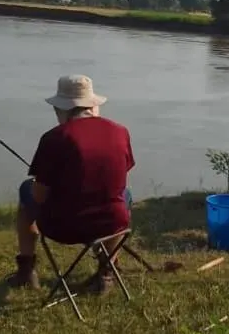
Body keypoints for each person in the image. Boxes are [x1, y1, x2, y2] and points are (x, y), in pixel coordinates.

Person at [7, 74, 134, 293]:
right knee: (125, 195)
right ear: (94, 106)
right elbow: (121, 178)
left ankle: (26, 270)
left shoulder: (55, 138)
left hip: (64, 228)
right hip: (110, 226)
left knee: (25, 189)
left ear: (60, 110)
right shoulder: (120, 132)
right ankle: (107, 271)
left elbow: (38, 196)